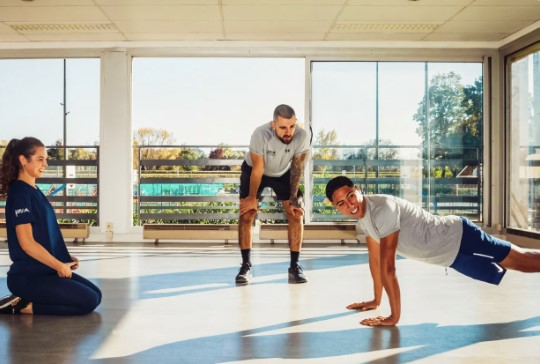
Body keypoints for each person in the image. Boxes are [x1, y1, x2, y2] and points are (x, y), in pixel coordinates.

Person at [325, 176, 540, 327]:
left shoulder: (383, 209)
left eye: (351, 196)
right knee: (497, 271)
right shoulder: (364, 220)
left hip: (460, 236)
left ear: (359, 190)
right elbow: (375, 260)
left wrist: (394, 317)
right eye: (341, 203)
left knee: (518, 261)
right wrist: (376, 300)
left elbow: (389, 267)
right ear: (336, 207)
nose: (349, 205)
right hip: (450, 257)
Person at [0, 137, 101, 315]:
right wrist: (58, 266)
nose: (45, 164)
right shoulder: (20, 193)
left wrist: (65, 261)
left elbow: (45, 234)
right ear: (23, 160)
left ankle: (27, 300)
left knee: (96, 294)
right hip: (28, 277)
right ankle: (23, 306)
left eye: (46, 159)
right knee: (88, 301)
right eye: (40, 159)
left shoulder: (35, 191)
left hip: (46, 271)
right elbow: (27, 244)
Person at [236, 104, 311, 285]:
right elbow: (258, 169)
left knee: (295, 213)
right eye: (283, 127)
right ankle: (246, 266)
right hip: (255, 171)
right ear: (273, 125)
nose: (288, 132)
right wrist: (252, 198)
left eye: (292, 126)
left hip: (284, 173)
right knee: (247, 214)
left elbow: (297, 168)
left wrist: (294, 198)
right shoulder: (260, 134)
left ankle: (295, 266)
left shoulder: (302, 136)